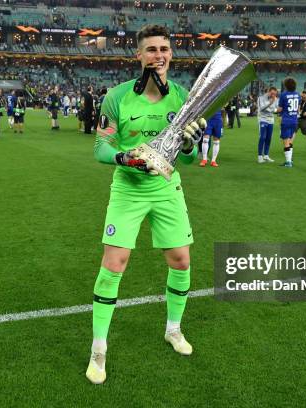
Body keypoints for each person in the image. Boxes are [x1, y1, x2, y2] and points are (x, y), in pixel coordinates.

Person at [87, 24, 205, 385]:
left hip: (167, 189)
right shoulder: (117, 97)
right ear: (138, 55)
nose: (159, 55)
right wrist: (124, 158)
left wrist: (190, 146)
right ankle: (98, 349)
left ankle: (173, 329)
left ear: (171, 54)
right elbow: (100, 147)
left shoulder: (184, 97)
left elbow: (189, 161)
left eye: (164, 49)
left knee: (181, 260)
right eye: (151, 49)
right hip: (129, 189)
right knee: (114, 265)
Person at [276, 77, 300, 167]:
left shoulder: (283, 95)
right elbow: (298, 109)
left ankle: (288, 162)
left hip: (286, 120)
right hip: (294, 120)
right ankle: (290, 160)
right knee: (289, 140)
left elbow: (279, 109)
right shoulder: (298, 94)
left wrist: (276, 110)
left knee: (285, 141)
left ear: (286, 85)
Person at [256, 86, 278, 163]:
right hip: (262, 119)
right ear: (268, 92)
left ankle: (266, 155)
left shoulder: (275, 99)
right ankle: (259, 156)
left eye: (275, 94)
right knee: (262, 137)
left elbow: (276, 109)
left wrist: (274, 109)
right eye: (272, 93)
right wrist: (270, 103)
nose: (273, 95)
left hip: (271, 120)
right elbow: (261, 108)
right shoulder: (260, 98)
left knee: (269, 138)